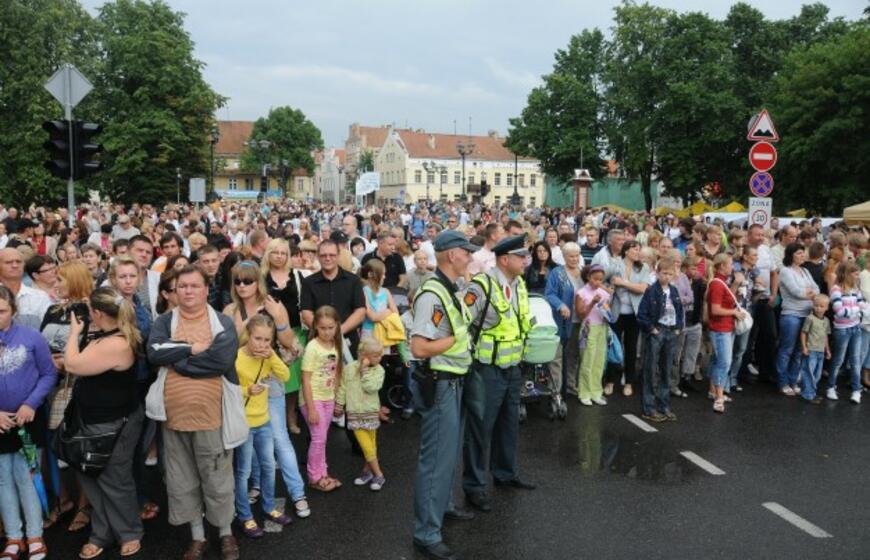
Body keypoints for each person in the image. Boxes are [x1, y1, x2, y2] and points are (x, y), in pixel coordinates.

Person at [146, 265, 241, 560]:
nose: (187, 291)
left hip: (212, 416)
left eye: (193, 286)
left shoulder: (221, 321)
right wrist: (191, 348)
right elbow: (154, 353)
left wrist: (180, 361)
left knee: (218, 480)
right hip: (173, 419)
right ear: (174, 291)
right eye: (181, 286)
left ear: (205, 289)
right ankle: (197, 537)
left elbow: (222, 360)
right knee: (182, 480)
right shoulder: (164, 321)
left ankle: (225, 534)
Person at [410, 230, 478, 560]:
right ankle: (426, 533)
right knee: (436, 461)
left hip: (455, 380)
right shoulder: (433, 295)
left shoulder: (450, 289)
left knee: (449, 455)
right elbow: (419, 346)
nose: (470, 257)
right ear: (452, 255)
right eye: (466, 252)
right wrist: (454, 342)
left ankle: (443, 507)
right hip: (441, 383)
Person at [63, 287, 144, 559]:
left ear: (97, 313)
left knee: (114, 479)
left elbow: (72, 364)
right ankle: (103, 532)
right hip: (95, 420)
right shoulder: (111, 335)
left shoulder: (118, 342)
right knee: (90, 476)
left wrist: (74, 333)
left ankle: (129, 532)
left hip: (113, 424)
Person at [462, 234, 535, 514]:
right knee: (480, 429)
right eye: (521, 257)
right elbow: (460, 320)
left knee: (509, 424)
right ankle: (474, 486)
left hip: (513, 367)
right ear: (505, 260)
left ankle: (505, 473)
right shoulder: (482, 285)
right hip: (486, 370)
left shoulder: (519, 285)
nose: (525, 262)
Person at [0, 285, 55, 560]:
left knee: (27, 475)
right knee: (2, 479)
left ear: (13, 310)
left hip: (27, 419)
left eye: (1, 311)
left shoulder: (31, 336)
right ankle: (13, 536)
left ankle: (35, 534)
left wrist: (30, 403)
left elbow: (48, 374)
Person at [233, 314, 292, 539]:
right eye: (258, 339)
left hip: (264, 421)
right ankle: (245, 516)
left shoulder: (268, 356)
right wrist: (246, 391)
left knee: (268, 466)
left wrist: (273, 355)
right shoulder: (236, 358)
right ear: (248, 335)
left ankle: (269, 508)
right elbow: (225, 390)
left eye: (267, 340)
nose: (262, 344)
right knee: (243, 472)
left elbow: (285, 375)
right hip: (244, 423)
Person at [300, 305, 344, 492]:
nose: (327, 332)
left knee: (322, 438)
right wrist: (311, 408)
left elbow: (337, 372)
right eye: (322, 328)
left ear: (337, 326)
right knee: (318, 438)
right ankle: (314, 477)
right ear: (315, 327)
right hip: (313, 398)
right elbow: (305, 378)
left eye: (331, 327)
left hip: (328, 397)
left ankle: (323, 473)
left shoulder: (335, 344)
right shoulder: (312, 347)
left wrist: (337, 398)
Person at [334, 337, 387, 491]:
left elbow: (372, 387)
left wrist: (364, 371)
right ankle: (379, 475)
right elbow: (343, 387)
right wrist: (339, 404)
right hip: (354, 413)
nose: (380, 358)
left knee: (370, 446)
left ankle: (366, 472)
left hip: (370, 412)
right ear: (364, 355)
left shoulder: (379, 370)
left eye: (380, 355)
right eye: (377, 355)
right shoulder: (350, 368)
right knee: (366, 446)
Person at [637, 256, 683, 422]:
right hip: (658, 331)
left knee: (666, 370)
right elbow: (642, 314)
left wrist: (678, 328)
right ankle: (649, 408)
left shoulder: (674, 290)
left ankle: (664, 406)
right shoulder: (652, 291)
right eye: (664, 273)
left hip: (671, 332)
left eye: (670, 274)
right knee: (650, 370)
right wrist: (651, 329)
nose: (667, 277)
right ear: (657, 273)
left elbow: (679, 310)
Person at [605, 240, 650, 397]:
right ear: (626, 251)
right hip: (616, 312)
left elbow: (641, 289)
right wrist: (609, 288)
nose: (638, 252)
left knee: (631, 349)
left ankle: (629, 382)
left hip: (634, 314)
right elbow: (603, 279)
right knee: (613, 347)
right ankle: (610, 381)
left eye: (639, 249)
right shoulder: (615, 264)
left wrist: (622, 283)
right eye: (634, 249)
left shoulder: (643, 267)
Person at [776, 243, 820, 396]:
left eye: (803, 253)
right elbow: (796, 292)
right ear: (791, 255)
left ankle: (793, 380)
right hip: (791, 315)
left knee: (799, 351)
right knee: (786, 350)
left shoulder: (805, 271)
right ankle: (783, 382)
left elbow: (817, 289)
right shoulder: (785, 271)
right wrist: (808, 292)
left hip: (806, 314)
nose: (803, 255)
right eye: (800, 253)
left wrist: (808, 292)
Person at [706, 254, 747, 413]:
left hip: (725, 327)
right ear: (722, 266)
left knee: (718, 361)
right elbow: (715, 310)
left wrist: (736, 285)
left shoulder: (721, 282)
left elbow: (725, 299)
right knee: (724, 363)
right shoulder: (717, 284)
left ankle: (713, 390)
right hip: (720, 328)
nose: (733, 267)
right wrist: (734, 313)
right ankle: (718, 397)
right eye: (730, 264)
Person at [545, 242, 584, 398]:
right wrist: (561, 305)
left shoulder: (583, 272)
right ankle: (555, 391)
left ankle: (570, 385)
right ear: (564, 256)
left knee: (575, 355)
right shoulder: (557, 273)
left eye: (576, 256)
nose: (574, 259)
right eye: (571, 256)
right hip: (561, 321)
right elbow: (550, 294)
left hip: (579, 320)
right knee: (557, 357)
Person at [826, 262, 867, 403]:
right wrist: (857, 309)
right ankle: (831, 387)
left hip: (855, 327)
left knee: (856, 361)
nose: (858, 277)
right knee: (838, 360)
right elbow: (840, 311)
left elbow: (863, 305)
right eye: (855, 274)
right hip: (842, 330)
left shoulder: (856, 289)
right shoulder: (836, 290)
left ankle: (857, 390)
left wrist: (855, 309)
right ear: (847, 274)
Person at [575, 264, 611, 406]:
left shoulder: (603, 293)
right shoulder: (581, 293)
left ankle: (596, 392)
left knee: (599, 362)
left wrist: (607, 310)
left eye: (601, 280)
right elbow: (581, 314)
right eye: (595, 279)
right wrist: (592, 303)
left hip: (602, 327)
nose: (598, 282)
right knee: (587, 361)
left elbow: (608, 312)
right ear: (588, 277)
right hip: (588, 328)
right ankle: (584, 393)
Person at [0, 248, 52, 330]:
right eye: (8, 262)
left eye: (18, 262)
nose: (15, 265)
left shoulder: (40, 297)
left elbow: (47, 329)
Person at [799, 294, 831, 404]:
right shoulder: (810, 318)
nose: (818, 308)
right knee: (809, 372)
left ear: (827, 308)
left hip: (820, 351)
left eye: (822, 306)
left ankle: (809, 391)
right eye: (816, 305)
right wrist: (804, 347)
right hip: (811, 350)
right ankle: (808, 394)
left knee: (817, 374)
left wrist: (827, 350)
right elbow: (803, 333)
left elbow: (826, 336)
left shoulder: (826, 320)